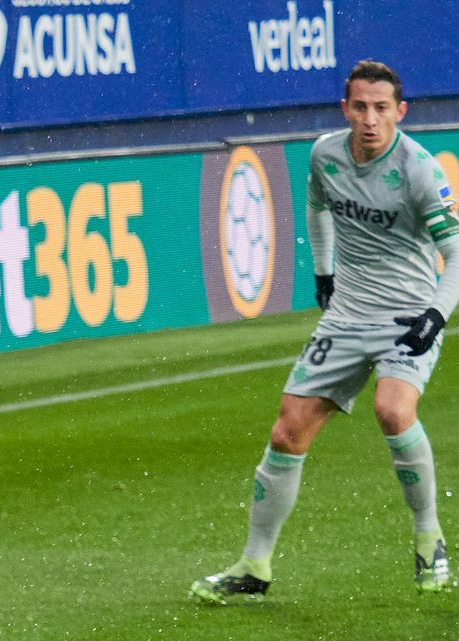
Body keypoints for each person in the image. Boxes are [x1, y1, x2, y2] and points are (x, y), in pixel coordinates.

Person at [193, 60, 459, 603]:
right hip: (346, 315)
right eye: (360, 106)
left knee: (393, 409)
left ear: (400, 112)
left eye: (381, 108)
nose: (370, 119)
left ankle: (428, 537)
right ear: (345, 109)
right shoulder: (325, 154)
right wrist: (324, 272)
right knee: (286, 432)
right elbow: (317, 207)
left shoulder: (419, 171)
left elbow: (456, 253)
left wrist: (435, 316)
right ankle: (255, 565)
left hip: (408, 313)